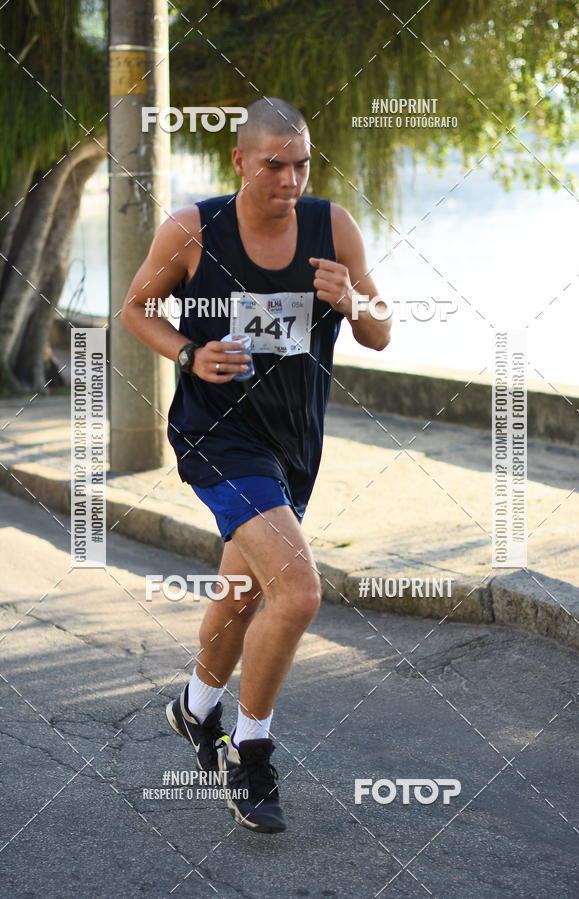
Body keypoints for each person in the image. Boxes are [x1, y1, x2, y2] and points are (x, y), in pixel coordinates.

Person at [121, 97, 390, 833]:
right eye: (275, 164)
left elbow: (381, 333)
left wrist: (354, 297)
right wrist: (188, 352)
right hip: (217, 438)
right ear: (240, 160)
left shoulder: (331, 227)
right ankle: (251, 749)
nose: (291, 178)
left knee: (243, 590)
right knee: (297, 593)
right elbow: (135, 306)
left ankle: (195, 707)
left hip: (294, 445)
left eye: (302, 163)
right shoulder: (193, 229)